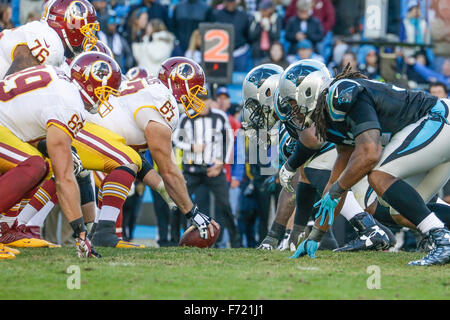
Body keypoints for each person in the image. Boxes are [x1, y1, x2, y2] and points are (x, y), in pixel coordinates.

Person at [285, 63, 450, 266]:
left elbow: (371, 153)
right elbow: (338, 176)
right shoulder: (331, 119)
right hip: (437, 128)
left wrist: (337, 189)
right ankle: (442, 236)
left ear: (308, 91)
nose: (294, 113)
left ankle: (443, 241)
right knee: (399, 212)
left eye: (293, 104)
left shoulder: (340, 94)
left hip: (438, 118)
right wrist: (316, 236)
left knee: (378, 176)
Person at [0, 52, 122, 258]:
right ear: (91, 85)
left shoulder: (60, 79)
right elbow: (64, 176)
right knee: (36, 165)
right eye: (106, 92)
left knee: (43, 165)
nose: (106, 99)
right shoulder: (69, 104)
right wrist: (80, 231)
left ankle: (5, 228)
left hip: (6, 126)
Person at [172, 84, 240, 247]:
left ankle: (236, 242)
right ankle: (174, 240)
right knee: (179, 203)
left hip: (214, 169)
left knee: (225, 205)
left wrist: (220, 163)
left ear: (210, 101)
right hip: (192, 169)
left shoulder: (220, 116)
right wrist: (191, 147)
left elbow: (228, 140)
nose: (202, 104)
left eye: (205, 100)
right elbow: (175, 139)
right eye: (198, 100)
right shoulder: (186, 117)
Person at [0, 0, 98, 79]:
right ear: (71, 27)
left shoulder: (46, 34)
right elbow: (9, 88)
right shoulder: (51, 43)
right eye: (86, 31)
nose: (88, 37)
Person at [213, 0, 252, 72]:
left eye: (232, 1)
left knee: (240, 78)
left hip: (239, 52)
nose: (230, 3)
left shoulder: (243, 16)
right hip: (221, 53)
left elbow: (247, 35)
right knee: (221, 80)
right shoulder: (216, 15)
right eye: (228, 1)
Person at [248, 0, 282, 64]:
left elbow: (276, 37)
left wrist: (268, 27)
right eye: (262, 9)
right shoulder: (255, 18)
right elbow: (251, 37)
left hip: (270, 53)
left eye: (265, 9)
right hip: (257, 53)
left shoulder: (276, 19)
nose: (263, 11)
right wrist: (260, 26)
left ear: (271, 9)